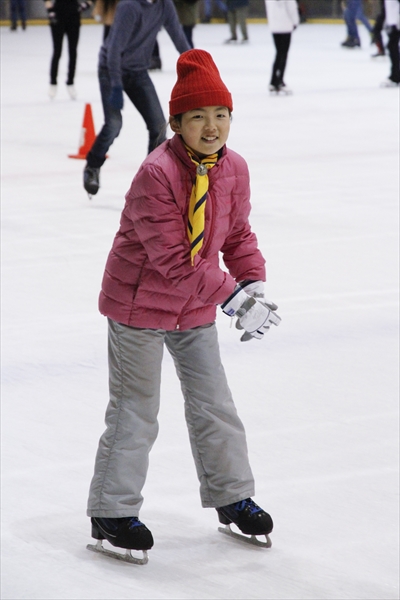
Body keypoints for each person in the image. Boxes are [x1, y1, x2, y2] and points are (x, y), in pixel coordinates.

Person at [86, 48, 281, 559]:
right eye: (198, 117)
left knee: (215, 403)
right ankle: (111, 509)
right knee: (136, 410)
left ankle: (233, 497)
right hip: (139, 307)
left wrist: (253, 281)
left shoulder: (232, 167)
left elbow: (236, 233)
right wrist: (234, 299)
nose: (212, 127)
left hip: (193, 308)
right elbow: (175, 262)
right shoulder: (157, 174)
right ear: (176, 123)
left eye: (221, 115)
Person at [83, 0, 190, 197]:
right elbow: (114, 50)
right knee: (114, 124)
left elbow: (179, 38)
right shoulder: (129, 7)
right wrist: (115, 85)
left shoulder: (164, 5)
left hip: (138, 71)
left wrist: (196, 65)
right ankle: (92, 166)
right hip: (111, 69)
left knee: (158, 126)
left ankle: (151, 180)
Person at [44, 0, 93, 100]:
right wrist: (50, 9)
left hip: (73, 17)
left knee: (73, 52)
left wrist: (85, 5)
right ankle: (53, 82)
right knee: (57, 51)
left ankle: (70, 82)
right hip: (58, 16)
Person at [265, 0, 299, 94]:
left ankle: (273, 81)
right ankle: (279, 81)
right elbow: (291, 8)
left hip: (274, 27)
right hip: (285, 26)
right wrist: (295, 22)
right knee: (283, 54)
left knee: (279, 54)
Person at [381, 0, 400, 86]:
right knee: (392, 46)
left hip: (396, 19)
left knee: (392, 45)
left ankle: (395, 76)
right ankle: (395, 75)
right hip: (393, 20)